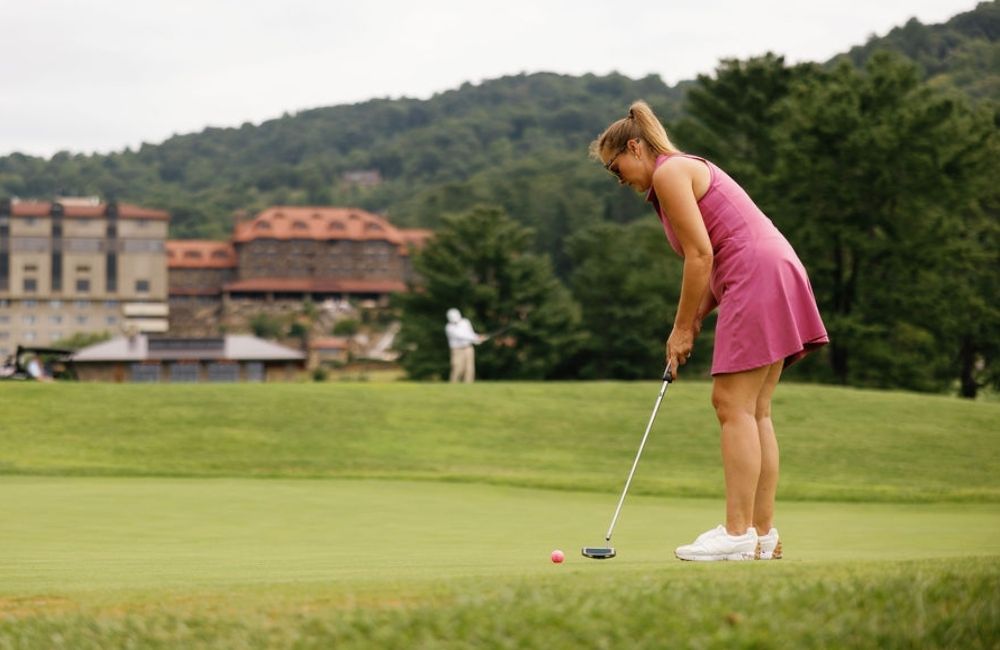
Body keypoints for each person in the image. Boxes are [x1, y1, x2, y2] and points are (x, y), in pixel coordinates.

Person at [591, 101, 828, 562]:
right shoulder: (680, 171)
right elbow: (716, 252)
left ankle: (736, 533)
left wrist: (682, 329)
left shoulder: (669, 172)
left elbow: (702, 255)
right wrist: (694, 319)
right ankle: (761, 534)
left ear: (635, 147)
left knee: (730, 404)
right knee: (755, 410)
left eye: (615, 168)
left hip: (754, 274)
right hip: (774, 268)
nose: (619, 179)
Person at [445, 308, 484, 383]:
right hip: (457, 350)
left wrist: (477, 340)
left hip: (468, 348)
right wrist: (477, 338)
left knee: (469, 368)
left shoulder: (465, 322)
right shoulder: (449, 327)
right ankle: (453, 384)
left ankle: (468, 385)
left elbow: (470, 333)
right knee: (457, 368)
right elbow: (461, 335)